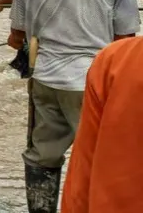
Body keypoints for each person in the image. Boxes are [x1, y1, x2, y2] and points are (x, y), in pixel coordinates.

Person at [7, 0, 140, 213]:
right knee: (102, 159)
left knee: (42, 156)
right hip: (95, 87)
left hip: (46, 80)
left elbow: (16, 38)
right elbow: (125, 41)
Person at [61, 37, 143, 213]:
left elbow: (81, 177)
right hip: (81, 79)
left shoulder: (115, 59)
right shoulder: (116, 59)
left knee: (43, 154)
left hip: (53, 76)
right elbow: (124, 32)